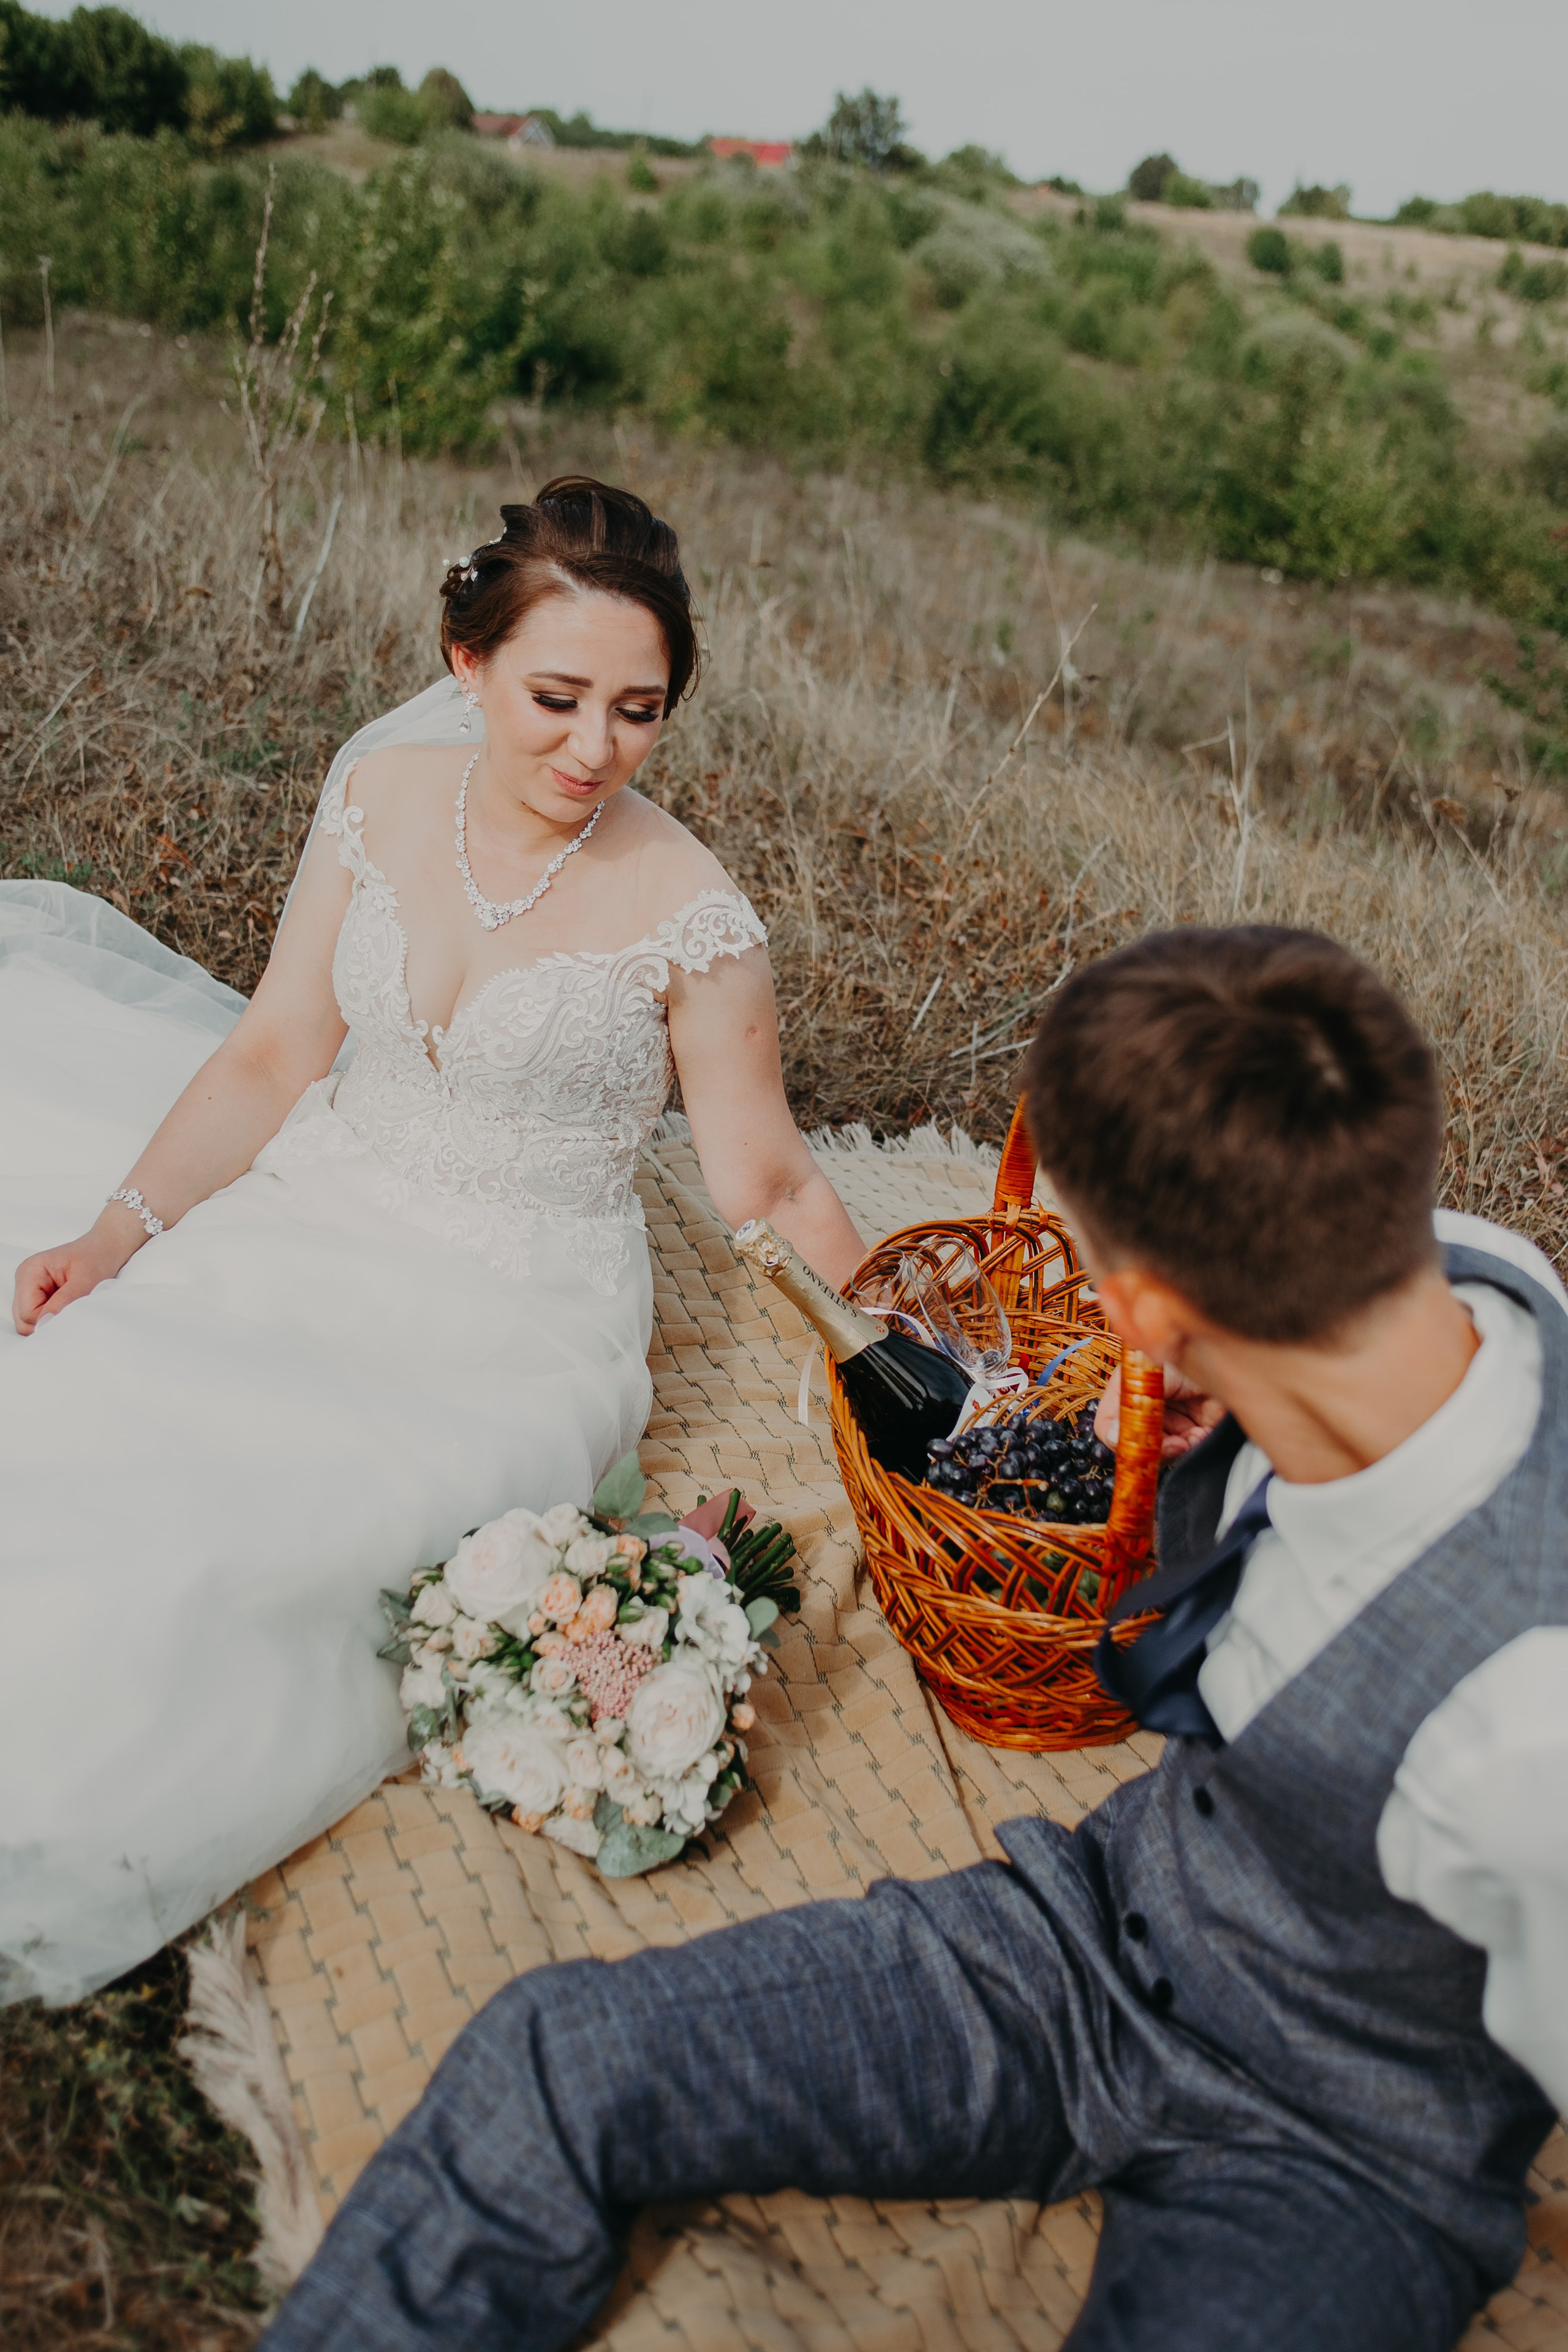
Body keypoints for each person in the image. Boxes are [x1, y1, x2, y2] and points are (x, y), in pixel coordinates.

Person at [260, 926, 1566, 2352]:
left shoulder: (1524, 1726)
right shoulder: (1463, 1268)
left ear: (1142, 1313)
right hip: (1090, 1939)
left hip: (1342, 2152)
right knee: (560, 2056)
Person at [0, 477, 862, 2006]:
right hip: (320, 1194)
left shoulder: (693, 915)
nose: (592, 750)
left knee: (261, 1532)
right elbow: (273, 1055)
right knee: (78, 1401)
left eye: (639, 711)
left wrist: (911, 1351)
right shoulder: (379, 801)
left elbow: (772, 1186)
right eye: (555, 697)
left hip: (507, 1310)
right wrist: (119, 1232)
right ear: (463, 664)